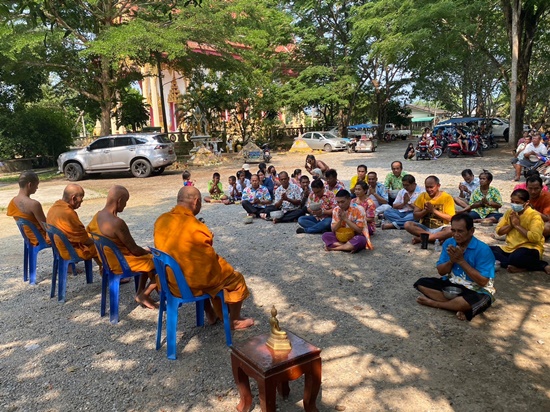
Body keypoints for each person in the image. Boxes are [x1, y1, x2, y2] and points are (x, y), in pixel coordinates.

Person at [154, 186, 254, 329]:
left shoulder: (161, 220)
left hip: (170, 282)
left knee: (192, 269)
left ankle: (210, 313)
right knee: (234, 278)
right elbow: (208, 263)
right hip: (190, 285)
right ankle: (234, 320)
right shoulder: (197, 226)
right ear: (196, 202)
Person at [413, 214, 496, 321]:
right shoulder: (449, 243)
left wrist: (461, 261)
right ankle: (454, 305)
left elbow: (483, 282)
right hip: (453, 285)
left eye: (460, 231)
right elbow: (441, 272)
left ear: (471, 231)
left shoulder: (483, 249)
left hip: (476, 289)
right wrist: (452, 261)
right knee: (421, 283)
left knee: (480, 299)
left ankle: (437, 304)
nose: (456, 235)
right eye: (453, 231)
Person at [86, 186, 158, 309]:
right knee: (157, 261)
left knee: (146, 256)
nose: (125, 205)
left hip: (108, 262)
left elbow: (89, 237)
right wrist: (149, 251)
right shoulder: (117, 223)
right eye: (125, 202)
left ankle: (140, 292)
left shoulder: (97, 216)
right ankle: (144, 294)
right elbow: (134, 250)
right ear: (119, 201)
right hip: (121, 264)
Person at [490, 189, 550, 274]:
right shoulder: (510, 212)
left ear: (526, 203)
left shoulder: (535, 216)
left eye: (517, 203)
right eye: (512, 201)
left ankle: (542, 265)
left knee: (516, 258)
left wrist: (517, 226)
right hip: (510, 248)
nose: (514, 204)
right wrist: (511, 225)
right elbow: (499, 231)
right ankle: (518, 266)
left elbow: (535, 238)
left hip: (530, 248)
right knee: (486, 250)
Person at [46, 184, 98, 261]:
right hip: (70, 251)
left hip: (59, 247)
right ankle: (108, 270)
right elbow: (84, 240)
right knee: (103, 247)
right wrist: (96, 241)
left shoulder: (54, 207)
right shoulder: (69, 213)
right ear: (73, 198)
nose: (81, 203)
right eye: (81, 199)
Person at [404, 175, 455, 244]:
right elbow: (415, 216)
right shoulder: (422, 196)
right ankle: (435, 238)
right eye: (427, 187)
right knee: (407, 224)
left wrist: (433, 210)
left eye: (431, 187)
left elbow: (450, 218)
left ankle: (424, 238)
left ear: (438, 186)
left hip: (441, 228)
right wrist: (425, 210)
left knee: (452, 230)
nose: (429, 189)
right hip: (424, 227)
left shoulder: (447, 197)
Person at [7, 171, 49, 245]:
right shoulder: (34, 204)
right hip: (40, 238)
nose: (37, 188)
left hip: (29, 237)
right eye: (36, 185)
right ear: (30, 185)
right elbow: (46, 227)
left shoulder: (13, 201)